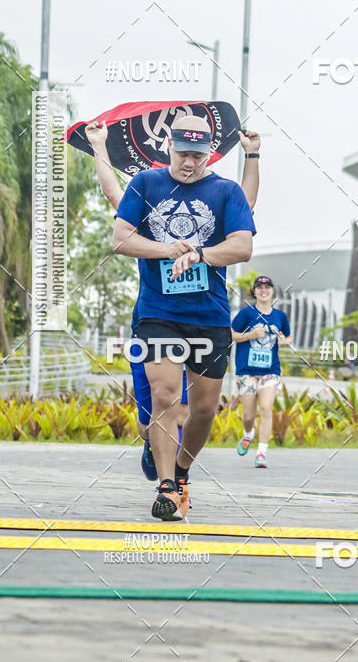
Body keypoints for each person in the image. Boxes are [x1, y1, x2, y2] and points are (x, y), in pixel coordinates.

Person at [85, 119, 260, 484]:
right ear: (168, 145)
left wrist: (252, 155)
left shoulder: (224, 193)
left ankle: (179, 472)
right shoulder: (147, 186)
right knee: (160, 405)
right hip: (156, 315)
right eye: (183, 153)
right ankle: (166, 485)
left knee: (198, 411)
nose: (189, 162)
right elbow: (114, 202)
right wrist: (100, 146)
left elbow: (244, 224)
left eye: (198, 156)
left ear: (209, 154)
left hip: (208, 317)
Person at [231, 275, 292, 468]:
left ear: (272, 291)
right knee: (249, 416)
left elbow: (289, 336)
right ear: (254, 291)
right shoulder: (246, 313)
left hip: (270, 371)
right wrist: (250, 335)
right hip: (246, 371)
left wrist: (285, 341)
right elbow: (230, 334)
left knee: (266, 409)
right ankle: (249, 434)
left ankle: (262, 453)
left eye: (267, 287)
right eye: (260, 287)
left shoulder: (280, 316)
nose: (263, 290)